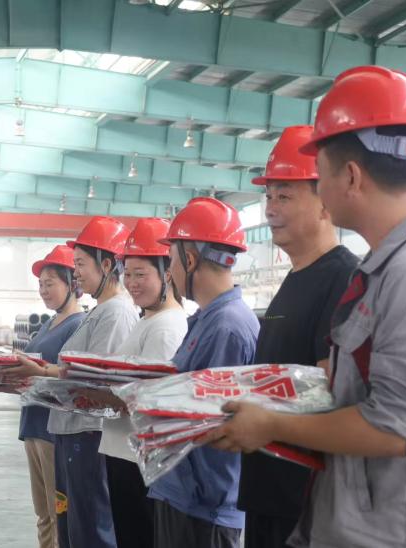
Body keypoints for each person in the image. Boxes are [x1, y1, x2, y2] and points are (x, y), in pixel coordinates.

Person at [203, 66, 406, 548]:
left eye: (321, 172)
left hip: (399, 535)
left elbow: (394, 429)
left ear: (350, 176)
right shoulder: (383, 271)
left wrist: (271, 423)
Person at [234, 126, 359, 548]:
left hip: (304, 505)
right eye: (268, 196)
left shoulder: (343, 279)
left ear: (325, 199)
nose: (270, 209)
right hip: (267, 492)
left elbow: (332, 392)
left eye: (284, 196)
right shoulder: (295, 278)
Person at [8, 216, 139, 548]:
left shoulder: (116, 313)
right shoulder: (100, 311)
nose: (77, 271)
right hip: (71, 433)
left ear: (107, 264)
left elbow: (97, 382)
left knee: (90, 529)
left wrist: (40, 375)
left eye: (80, 264)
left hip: (88, 435)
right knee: (73, 528)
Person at [146, 198, 260, 548]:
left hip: (202, 507)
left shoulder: (226, 327)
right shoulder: (209, 320)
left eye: (171, 260)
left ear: (191, 259)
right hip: (185, 493)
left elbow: (208, 418)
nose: (170, 272)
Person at [98, 218, 188, 548]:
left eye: (141, 274)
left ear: (167, 273)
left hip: (139, 459)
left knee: (139, 537)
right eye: (128, 273)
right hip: (124, 453)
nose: (132, 283)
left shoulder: (166, 327)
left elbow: (148, 399)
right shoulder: (148, 319)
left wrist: (91, 394)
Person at [21, 245, 87, 548]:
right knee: (43, 513)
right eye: (40, 285)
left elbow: (69, 377)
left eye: (50, 284)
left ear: (72, 284)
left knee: (58, 511)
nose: (43, 291)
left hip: (53, 429)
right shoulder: (50, 322)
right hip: (33, 423)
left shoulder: (78, 325)